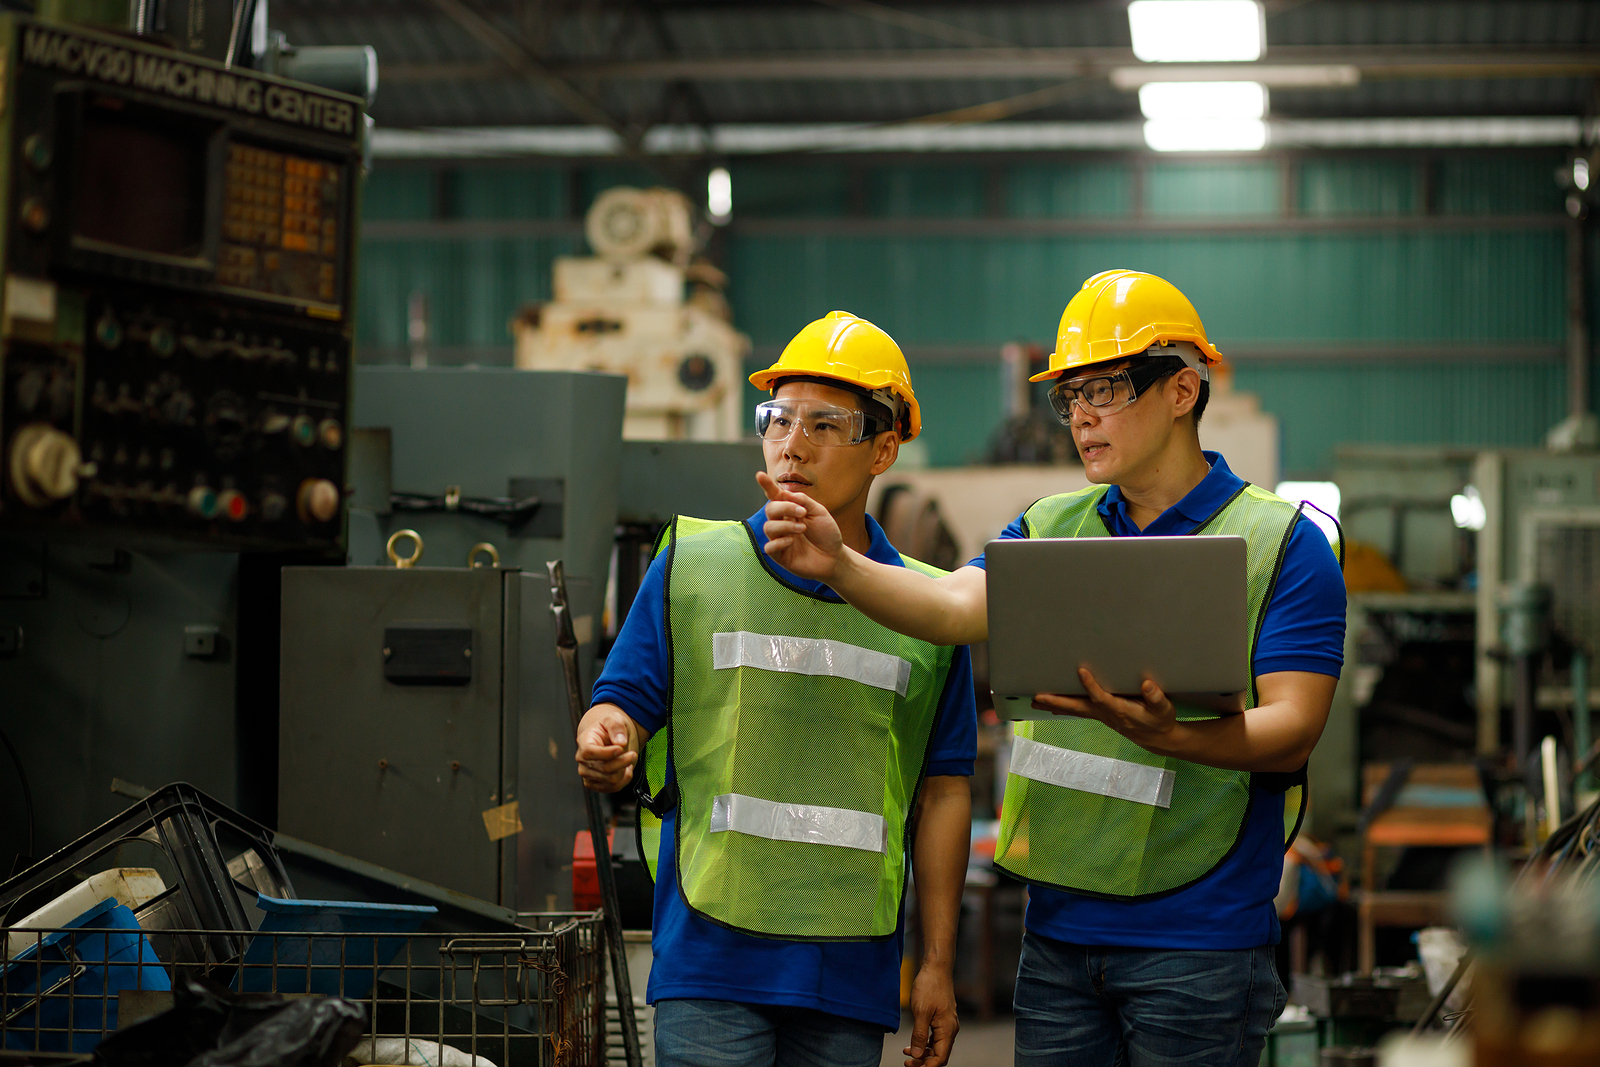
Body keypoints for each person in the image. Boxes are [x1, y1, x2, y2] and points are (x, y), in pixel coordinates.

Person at [760, 271, 1347, 1067]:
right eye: (1069, 396)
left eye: (1103, 387)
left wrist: (1179, 736)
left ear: (1182, 389)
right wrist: (841, 565)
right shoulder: (1050, 527)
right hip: (1060, 939)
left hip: (1198, 938)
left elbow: (1293, 728)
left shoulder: (1284, 545)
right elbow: (954, 609)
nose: (1081, 414)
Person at [575, 310, 978, 1067]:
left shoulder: (928, 606)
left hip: (848, 969)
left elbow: (945, 789)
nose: (792, 444)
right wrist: (608, 732)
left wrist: (935, 963)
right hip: (709, 955)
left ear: (884, 446)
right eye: (778, 417)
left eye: (825, 424)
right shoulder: (695, 564)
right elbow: (621, 698)